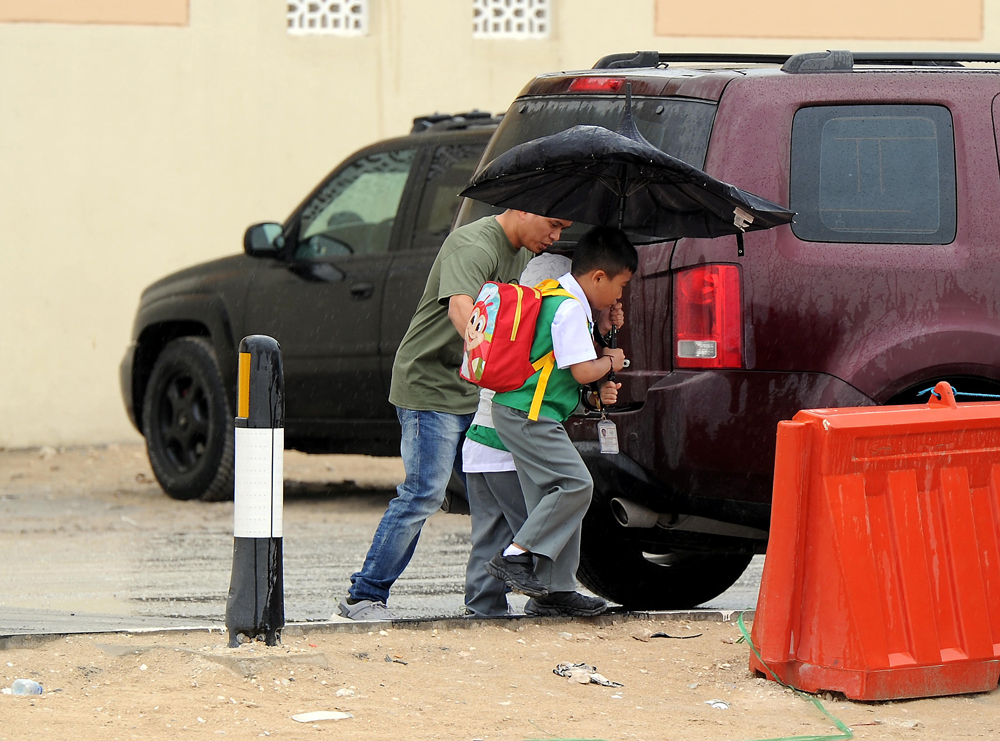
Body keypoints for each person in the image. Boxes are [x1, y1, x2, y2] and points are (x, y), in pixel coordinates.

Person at [335, 210, 572, 621]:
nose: (554, 236)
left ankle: (497, 602)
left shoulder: (520, 252)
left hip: (468, 388)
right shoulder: (473, 244)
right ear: (522, 209)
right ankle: (364, 597)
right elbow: (462, 310)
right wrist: (497, 363)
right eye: (551, 225)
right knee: (423, 494)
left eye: (562, 230)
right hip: (429, 387)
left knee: (493, 492)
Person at [462, 249, 623, 618]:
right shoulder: (561, 309)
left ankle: (483, 610)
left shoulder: (524, 314)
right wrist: (605, 352)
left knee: (491, 532)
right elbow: (566, 375)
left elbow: (553, 372)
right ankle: (550, 590)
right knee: (559, 508)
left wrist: (600, 329)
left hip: (480, 439)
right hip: (511, 439)